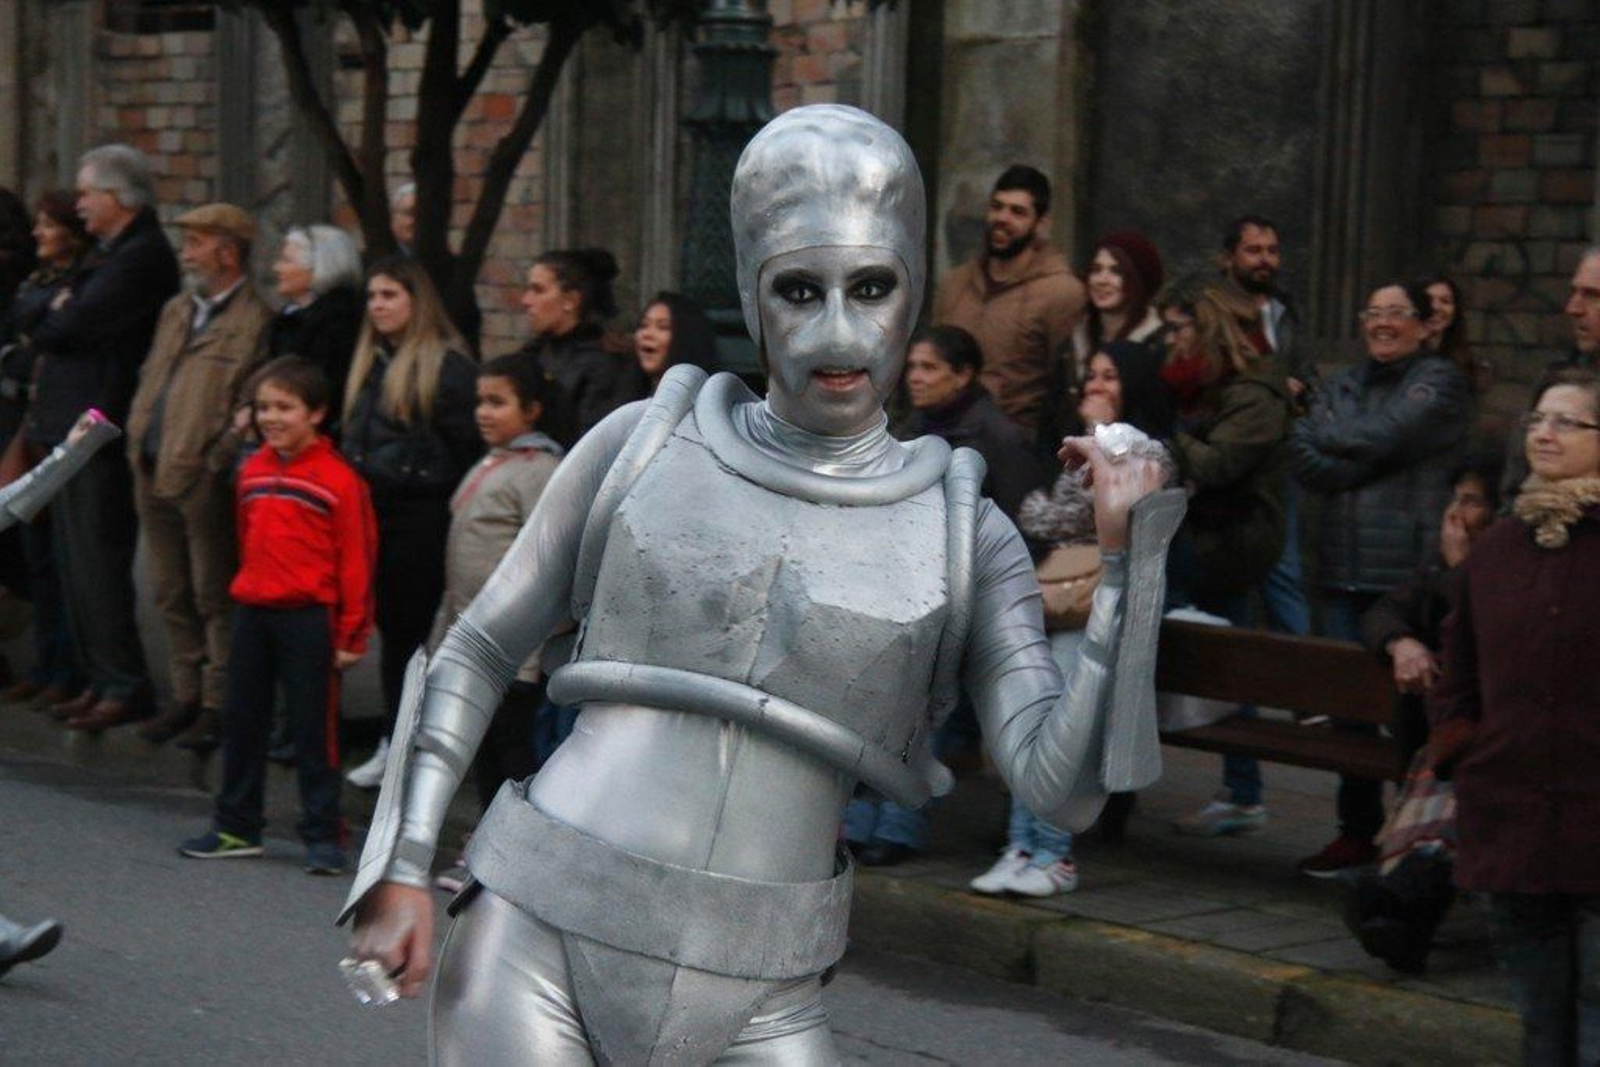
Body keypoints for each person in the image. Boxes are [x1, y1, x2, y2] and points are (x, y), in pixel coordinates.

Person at [340, 104, 1181, 1062]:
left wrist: (1131, 562)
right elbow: (479, 645)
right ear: (751, 292)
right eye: (797, 288)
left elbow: (1061, 790)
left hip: (768, 981)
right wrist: (398, 861)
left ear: (910, 294)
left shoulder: (964, 532)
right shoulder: (643, 443)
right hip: (539, 926)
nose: (837, 330)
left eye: (870, 287)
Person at [1427, 368, 1600, 1064]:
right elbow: (1458, 665)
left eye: (1567, 421)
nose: (1545, 433)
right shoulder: (1497, 548)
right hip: (1512, 818)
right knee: (1538, 1023)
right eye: (1536, 419)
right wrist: (1464, 747)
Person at [969, 341, 1178, 896]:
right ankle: (1020, 847)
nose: (1095, 386)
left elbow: (1090, 511)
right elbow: (1036, 509)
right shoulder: (1073, 447)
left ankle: (1055, 855)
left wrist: (1095, 480)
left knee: (1067, 727)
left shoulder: (1145, 454)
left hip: (1098, 607)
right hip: (1058, 606)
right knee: (1033, 721)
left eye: (1110, 378)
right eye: (1091, 376)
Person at [843, 324, 1053, 866]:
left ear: (963, 375)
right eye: (911, 367)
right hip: (906, 588)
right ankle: (859, 819)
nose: (915, 377)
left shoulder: (994, 435)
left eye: (930, 368)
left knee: (919, 712)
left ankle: (897, 823)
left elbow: (1024, 522)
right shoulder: (914, 428)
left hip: (959, 598)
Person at [1290, 279, 1470, 877]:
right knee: (1350, 714)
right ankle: (1356, 832)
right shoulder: (1344, 381)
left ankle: (1414, 835)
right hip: (1341, 569)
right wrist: (1352, 450)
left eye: (1398, 313)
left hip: (1407, 576)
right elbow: (1303, 456)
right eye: (1373, 312)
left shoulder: (1439, 382)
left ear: (1425, 325)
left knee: (1415, 713)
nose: (1383, 323)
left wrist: (1333, 437)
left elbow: (1384, 434)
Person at [178, 357, 376, 873]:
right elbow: (246, 540)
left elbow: (357, 560)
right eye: (263, 407)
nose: (271, 417)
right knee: (242, 722)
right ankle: (236, 826)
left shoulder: (339, 481)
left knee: (315, 731)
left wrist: (352, 631)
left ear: (317, 414)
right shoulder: (253, 470)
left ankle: (323, 832)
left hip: (309, 618)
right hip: (253, 613)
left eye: (284, 407)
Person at [31, 144, 178, 727]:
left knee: (98, 558)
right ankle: (97, 676)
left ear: (118, 197)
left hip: (99, 427)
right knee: (72, 561)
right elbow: (44, 314)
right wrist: (52, 310)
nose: (79, 205)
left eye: (88, 194)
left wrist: (55, 312)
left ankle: (122, 680)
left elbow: (71, 324)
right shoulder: (107, 253)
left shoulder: (139, 257)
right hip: (71, 425)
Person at [1344, 455, 1500, 974]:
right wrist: (1401, 640)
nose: (1456, 513)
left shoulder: (1505, 567)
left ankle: (1397, 909)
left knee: (1450, 798)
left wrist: (1462, 573)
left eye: (1472, 500)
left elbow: (1494, 640)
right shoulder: (1439, 566)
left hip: (1497, 734)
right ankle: (1395, 911)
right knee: (1436, 783)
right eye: (1455, 498)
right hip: (1452, 733)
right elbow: (1384, 610)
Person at [122, 204, 272, 745]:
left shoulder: (254, 318)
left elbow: (251, 401)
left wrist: (216, 457)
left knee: (213, 592)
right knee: (169, 590)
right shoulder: (178, 310)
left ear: (227, 252)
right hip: (153, 462)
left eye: (198, 242)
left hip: (201, 473)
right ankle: (184, 693)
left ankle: (217, 701)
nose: (186, 252)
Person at [1154, 277, 1294, 840]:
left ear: (1206, 331)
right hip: (1202, 538)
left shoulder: (1254, 397)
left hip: (1231, 545)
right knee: (1211, 661)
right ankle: (1240, 789)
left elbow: (1216, 466)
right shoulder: (1204, 389)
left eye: (1180, 328)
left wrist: (1168, 440)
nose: (1171, 340)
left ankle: (1244, 792)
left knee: (1225, 664)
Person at [427, 353, 564, 894]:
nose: (484, 412)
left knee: (511, 755)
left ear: (531, 408)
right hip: (475, 638)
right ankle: (485, 846)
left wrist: (541, 633)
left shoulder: (541, 471)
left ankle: (511, 858)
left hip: (514, 647)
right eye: (480, 401)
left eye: (498, 402)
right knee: (486, 752)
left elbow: (552, 554)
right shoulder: (494, 462)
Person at [340, 256, 480, 788]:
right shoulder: (373, 363)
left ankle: (408, 747)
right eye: (372, 296)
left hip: (421, 520)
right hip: (376, 516)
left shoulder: (446, 368)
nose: (378, 306)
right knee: (395, 636)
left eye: (390, 295)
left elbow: (464, 449)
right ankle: (396, 742)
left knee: (414, 640)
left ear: (415, 302)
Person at [0, 191, 91, 706]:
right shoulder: (38, 285)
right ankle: (48, 662)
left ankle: (67, 665)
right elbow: (24, 330)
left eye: (48, 224)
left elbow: (43, 335)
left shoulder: (75, 281)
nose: (38, 234)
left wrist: (30, 334)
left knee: (58, 556)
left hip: (37, 424)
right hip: (29, 420)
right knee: (37, 555)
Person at [931, 165, 1086, 439]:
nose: (1002, 218)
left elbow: (1065, 386)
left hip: (1013, 445)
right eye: (997, 207)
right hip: (942, 433)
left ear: (1040, 223)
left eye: (1017, 212)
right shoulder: (955, 283)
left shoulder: (1062, 293)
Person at [1217, 214, 1314, 645]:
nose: (1265, 260)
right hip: (1229, 461)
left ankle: (1306, 697)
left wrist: (1300, 391)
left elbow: (1305, 374)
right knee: (1232, 581)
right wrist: (1274, 387)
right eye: (1254, 250)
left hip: (1277, 462)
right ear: (1229, 257)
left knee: (1285, 577)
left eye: (1272, 251)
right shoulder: (1212, 310)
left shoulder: (1286, 311)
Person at [517, 248, 629, 445]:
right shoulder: (533, 353)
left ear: (571, 300)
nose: (526, 301)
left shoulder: (603, 363)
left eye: (538, 290)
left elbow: (593, 443)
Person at [267, 224, 363, 430]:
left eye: (286, 261)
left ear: (318, 268)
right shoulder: (288, 319)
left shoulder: (339, 324)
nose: (277, 268)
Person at [1069, 230, 1165, 373]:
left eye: (1117, 271)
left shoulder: (1159, 348)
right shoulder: (1074, 339)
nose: (1102, 280)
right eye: (1096, 269)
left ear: (1138, 282)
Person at [622, 290, 718, 401]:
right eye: (643, 325)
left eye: (663, 327)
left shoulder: (705, 405)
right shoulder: (625, 401)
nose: (647, 334)